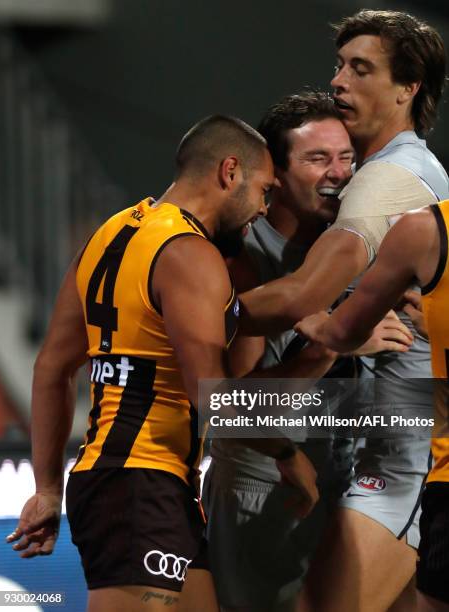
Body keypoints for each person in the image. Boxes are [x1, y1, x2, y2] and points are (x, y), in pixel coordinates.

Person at [5, 115, 330, 612]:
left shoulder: (109, 236)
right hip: (140, 486)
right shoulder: (191, 255)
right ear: (229, 172)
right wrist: (287, 454)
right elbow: (213, 398)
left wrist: (48, 488)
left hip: (134, 483)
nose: (264, 208)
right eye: (264, 190)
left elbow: (52, 368)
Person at [237, 10, 448, 611]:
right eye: (338, 66)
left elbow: (300, 303)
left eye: (361, 69)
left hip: (406, 450)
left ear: (408, 89)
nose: (339, 81)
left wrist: (174, 306)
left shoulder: (389, 181)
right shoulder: (396, 174)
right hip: (379, 438)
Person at [203, 91, 413, 612]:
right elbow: (230, 412)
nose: (339, 174)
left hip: (356, 478)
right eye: (318, 158)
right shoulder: (236, 262)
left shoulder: (360, 243)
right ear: (273, 170)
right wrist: (329, 345)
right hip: (266, 488)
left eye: (346, 157)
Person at [296, 199, 449, 612]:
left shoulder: (423, 226)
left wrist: (319, 329)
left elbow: (224, 404)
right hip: (378, 469)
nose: (337, 172)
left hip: (401, 479)